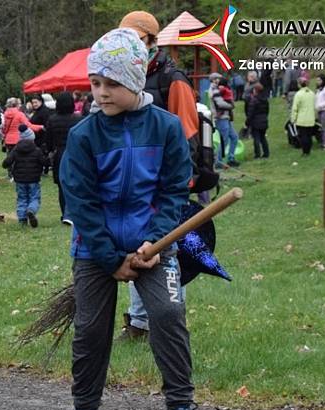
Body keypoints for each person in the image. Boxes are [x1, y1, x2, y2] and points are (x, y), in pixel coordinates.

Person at [59, 28, 203, 410]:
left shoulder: (167, 128)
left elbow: (174, 190)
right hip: (94, 249)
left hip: (156, 248)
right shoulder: (84, 135)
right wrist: (110, 259)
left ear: (136, 81)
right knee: (90, 329)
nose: (101, 93)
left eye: (112, 84)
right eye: (96, 83)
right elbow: (80, 202)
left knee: (167, 316)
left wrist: (155, 243)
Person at [118, 10, 204, 342]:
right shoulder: (125, 77)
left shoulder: (174, 79)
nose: (130, 48)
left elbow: (187, 134)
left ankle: (168, 325)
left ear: (152, 41)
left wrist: (179, 181)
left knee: (164, 252)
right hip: (133, 184)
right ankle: (139, 322)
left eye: (135, 40)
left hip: (165, 185)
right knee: (135, 249)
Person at [44, 91, 81, 223]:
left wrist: (49, 151)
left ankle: (65, 213)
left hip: (60, 153)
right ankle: (75, 212)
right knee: (78, 183)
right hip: (77, 153)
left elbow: (48, 139)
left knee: (62, 184)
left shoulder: (52, 120)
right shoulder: (78, 118)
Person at [3, 124, 44, 228]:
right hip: (34, 179)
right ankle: (31, 210)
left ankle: (22, 219)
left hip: (20, 179)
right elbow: (44, 162)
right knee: (34, 197)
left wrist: (6, 165)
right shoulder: (37, 150)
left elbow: (7, 162)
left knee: (22, 198)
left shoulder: (16, 150)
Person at [209, 74, 240, 167]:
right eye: (218, 78)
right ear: (214, 80)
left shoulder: (218, 89)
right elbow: (220, 104)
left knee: (234, 137)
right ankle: (218, 161)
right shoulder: (214, 90)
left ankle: (231, 158)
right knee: (224, 141)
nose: (220, 80)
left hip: (226, 117)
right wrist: (231, 106)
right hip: (221, 118)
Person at [291, 76, 316, 156]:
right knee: (309, 135)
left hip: (302, 119)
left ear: (299, 84)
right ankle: (308, 150)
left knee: (303, 136)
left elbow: (295, 108)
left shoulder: (298, 94)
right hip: (311, 118)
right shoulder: (312, 93)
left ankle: (305, 151)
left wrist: (293, 119)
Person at [245, 83, 270, 159]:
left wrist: (247, 122)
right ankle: (266, 153)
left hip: (255, 122)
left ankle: (257, 154)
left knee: (256, 138)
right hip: (264, 120)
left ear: (255, 91)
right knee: (263, 137)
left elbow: (250, 113)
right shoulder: (265, 100)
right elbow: (267, 111)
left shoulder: (254, 100)